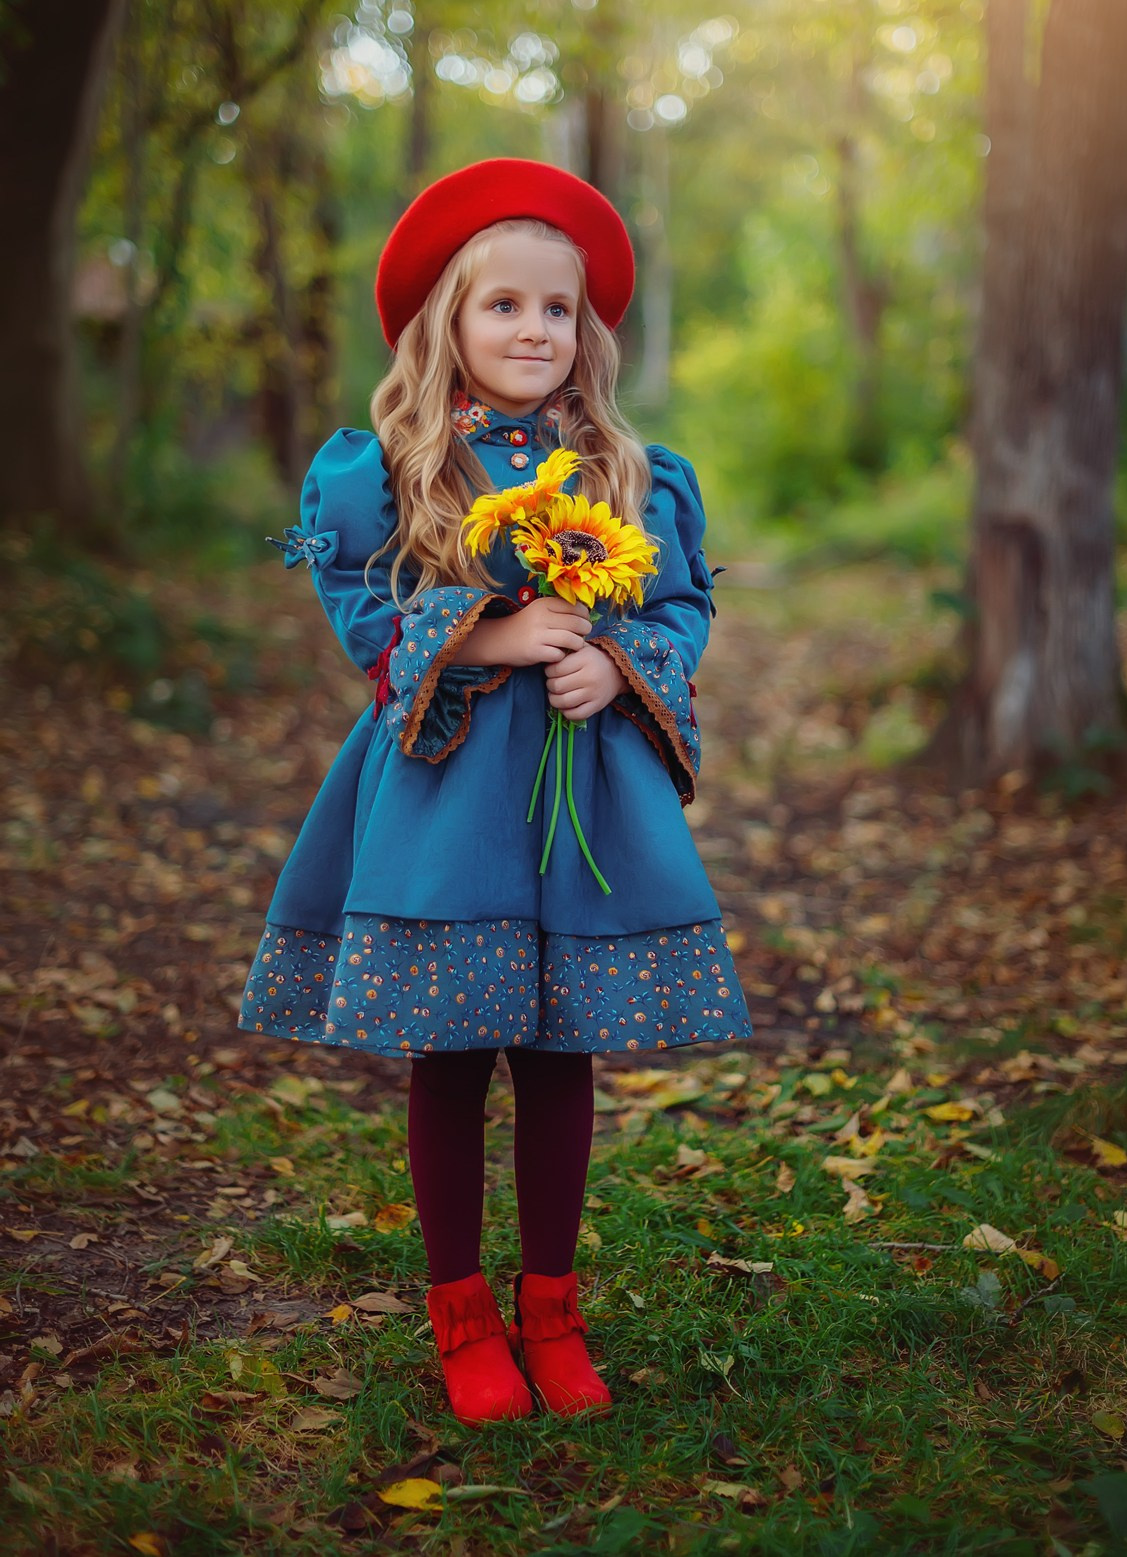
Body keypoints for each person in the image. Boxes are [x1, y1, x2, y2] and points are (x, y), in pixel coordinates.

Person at [237, 157, 753, 1426]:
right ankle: (463, 1313)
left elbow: (683, 600)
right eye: (503, 306)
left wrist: (617, 665)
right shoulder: (387, 468)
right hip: (447, 790)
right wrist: (487, 638)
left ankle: (554, 1308)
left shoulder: (633, 471)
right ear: (449, 324)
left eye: (557, 310)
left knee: (558, 1047)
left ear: (589, 332)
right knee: (456, 1050)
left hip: (581, 788)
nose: (534, 330)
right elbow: (362, 610)